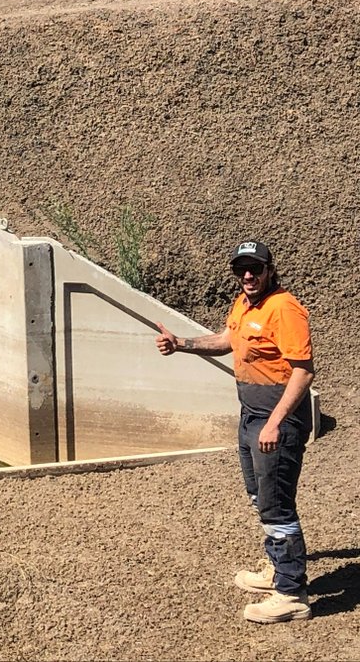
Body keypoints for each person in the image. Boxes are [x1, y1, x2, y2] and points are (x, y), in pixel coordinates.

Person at [155, 239, 314, 624]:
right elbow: (227, 340)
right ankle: (278, 568)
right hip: (250, 414)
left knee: (276, 503)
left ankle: (292, 592)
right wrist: (182, 344)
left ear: (269, 270)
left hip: (276, 417)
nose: (247, 276)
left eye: (255, 269)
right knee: (260, 495)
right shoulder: (244, 304)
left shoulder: (285, 308)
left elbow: (304, 370)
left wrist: (275, 422)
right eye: (241, 269)